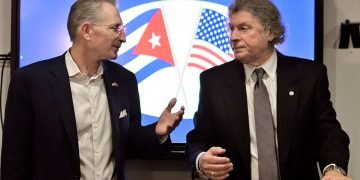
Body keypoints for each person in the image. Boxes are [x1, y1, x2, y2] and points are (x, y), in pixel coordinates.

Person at [1, 0, 184, 179]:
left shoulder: (125, 80)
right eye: (115, 28)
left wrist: (157, 132)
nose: (123, 37)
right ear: (87, 31)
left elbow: (129, 143)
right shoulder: (30, 81)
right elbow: (15, 161)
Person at [185, 0, 350, 180]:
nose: (233, 36)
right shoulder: (213, 81)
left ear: (270, 32)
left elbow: (328, 133)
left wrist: (334, 168)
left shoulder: (309, 76)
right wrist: (201, 161)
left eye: (244, 28)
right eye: (231, 28)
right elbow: (198, 139)